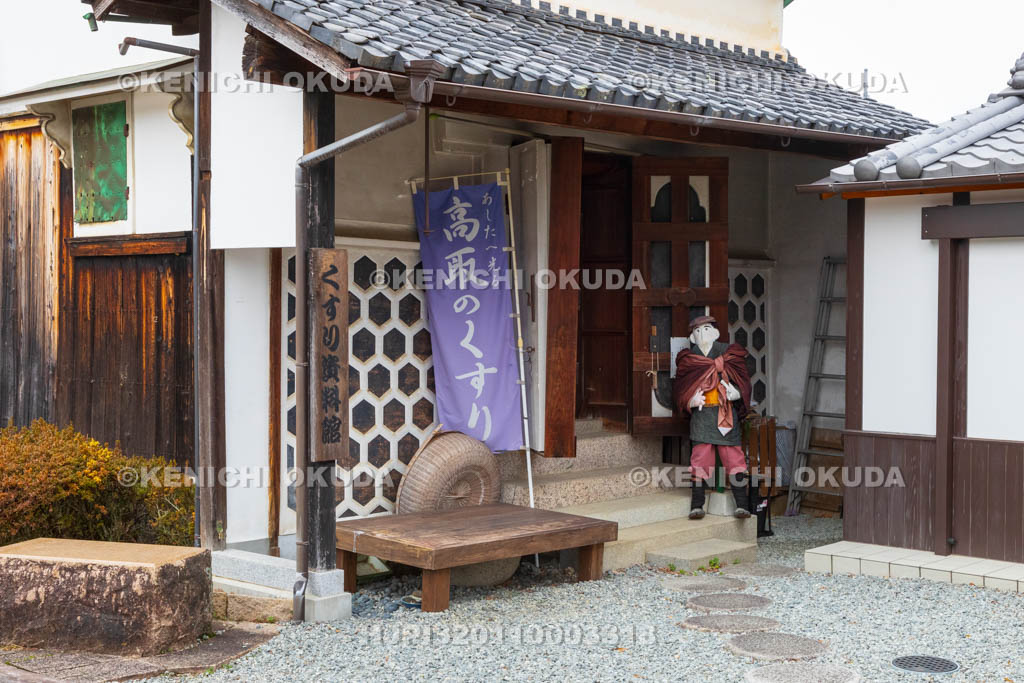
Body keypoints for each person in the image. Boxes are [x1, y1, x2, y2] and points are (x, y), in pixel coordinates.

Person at [673, 316, 753, 519]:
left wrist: (735, 393)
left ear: (716, 333)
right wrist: (691, 399)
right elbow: (682, 387)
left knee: (734, 458)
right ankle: (697, 504)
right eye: (698, 331)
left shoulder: (729, 354)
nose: (702, 334)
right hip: (702, 416)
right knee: (699, 459)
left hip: (725, 412)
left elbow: (742, 381)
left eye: (706, 329)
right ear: (692, 337)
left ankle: (742, 505)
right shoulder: (689, 359)